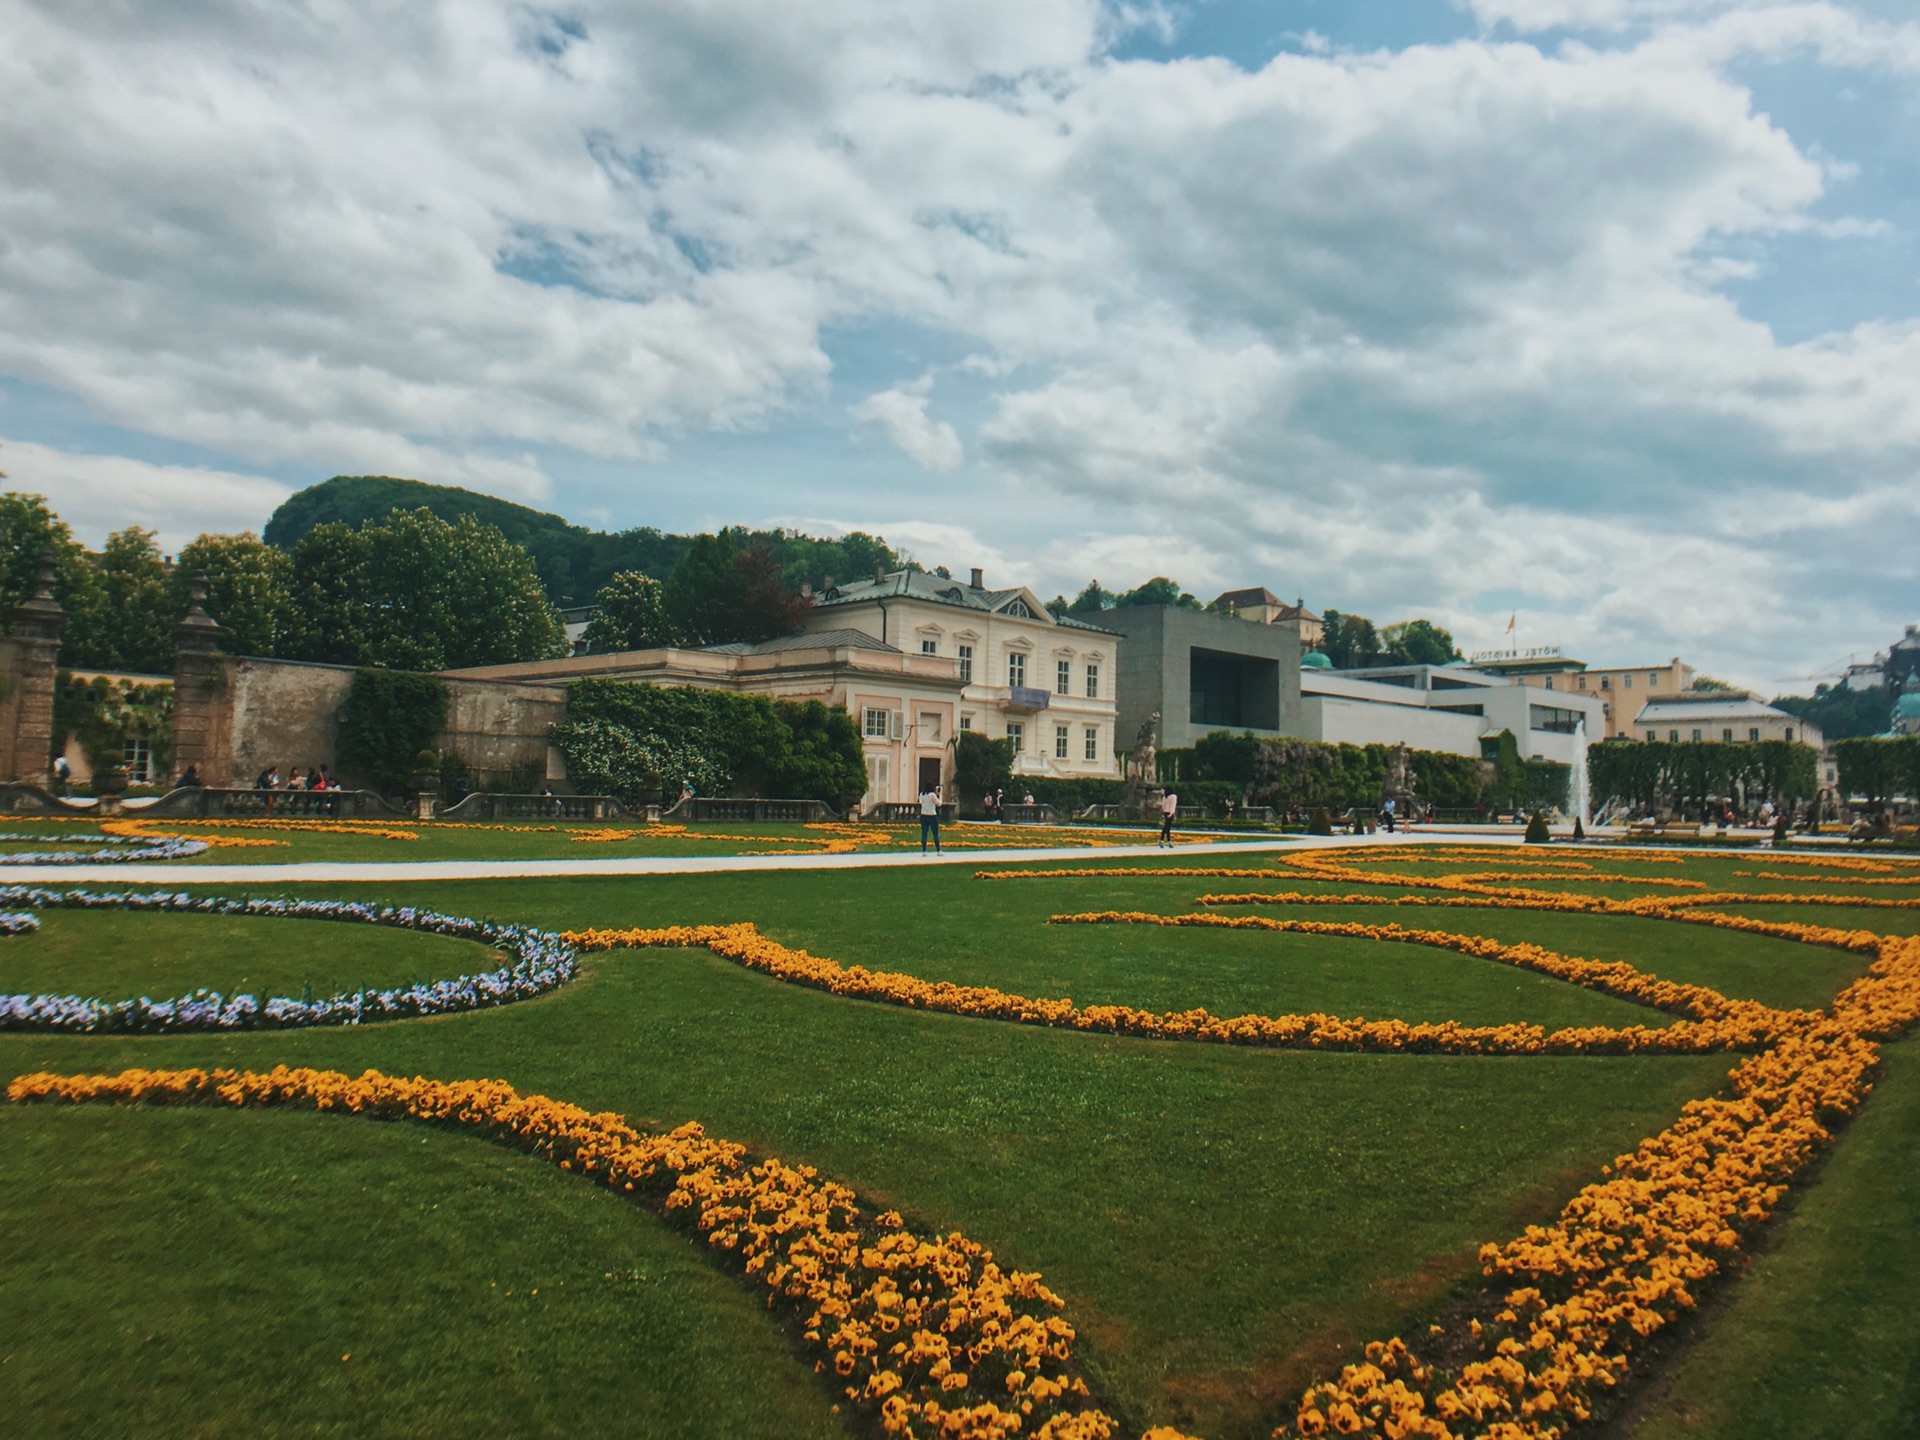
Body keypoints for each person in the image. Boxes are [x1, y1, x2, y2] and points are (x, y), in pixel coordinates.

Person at [918, 782, 943, 854]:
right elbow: (939, 803)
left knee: (924, 833)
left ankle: (924, 850)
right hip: (932, 815)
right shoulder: (932, 795)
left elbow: (920, 802)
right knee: (935, 833)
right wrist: (939, 795)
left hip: (923, 814)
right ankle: (938, 850)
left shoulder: (922, 794)